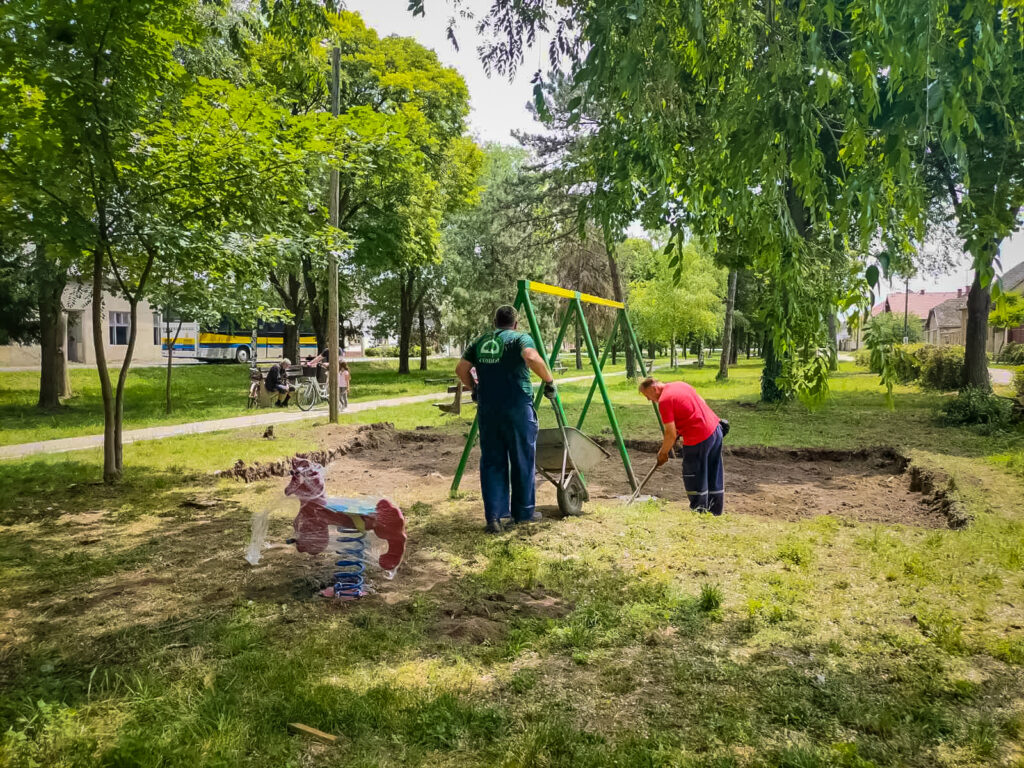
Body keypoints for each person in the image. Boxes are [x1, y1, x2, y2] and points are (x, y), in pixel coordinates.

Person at [456, 305, 557, 533]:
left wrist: (474, 387)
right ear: (516, 323)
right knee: (522, 459)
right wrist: (549, 381)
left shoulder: (480, 341)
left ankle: (494, 518)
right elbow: (531, 357)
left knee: (492, 461)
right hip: (517, 408)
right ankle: (523, 514)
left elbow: (461, 368)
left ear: (495, 322)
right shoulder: (520, 338)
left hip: (489, 409)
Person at [639, 377, 726, 516]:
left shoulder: (664, 401)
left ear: (653, 389)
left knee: (694, 475)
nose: (649, 400)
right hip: (715, 430)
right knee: (713, 472)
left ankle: (699, 512)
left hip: (699, 437)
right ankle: (715, 511)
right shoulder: (680, 385)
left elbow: (670, 434)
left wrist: (663, 453)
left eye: (646, 396)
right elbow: (700, 403)